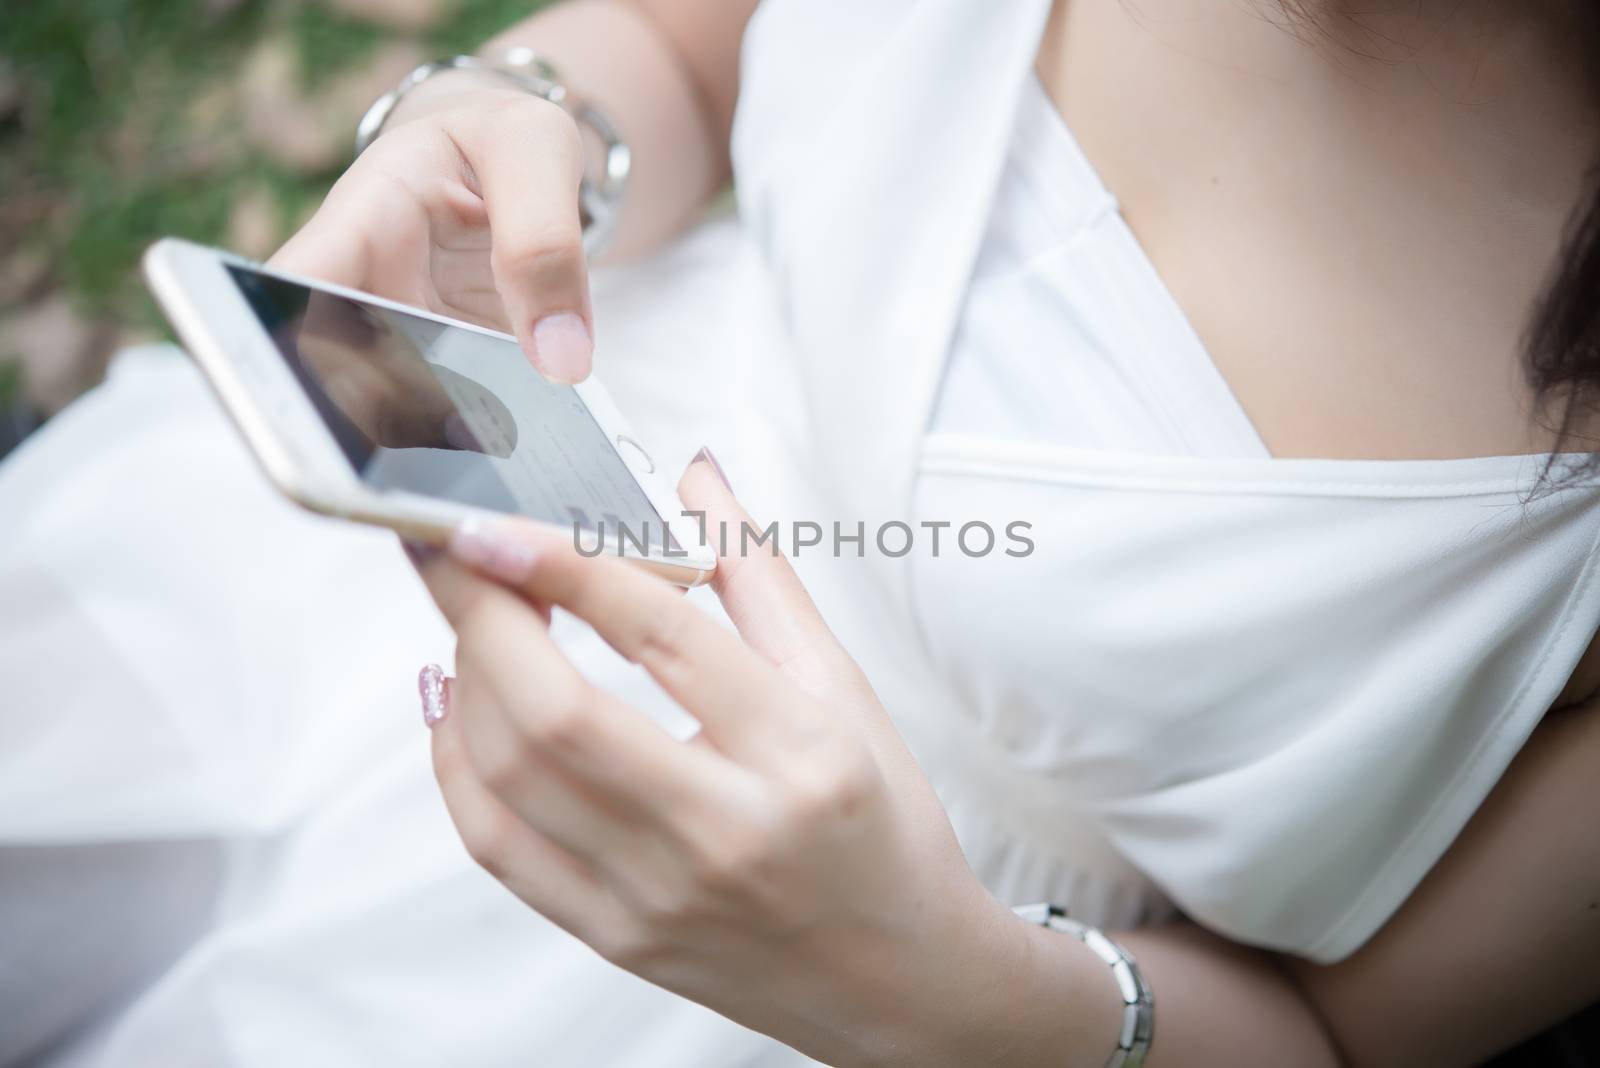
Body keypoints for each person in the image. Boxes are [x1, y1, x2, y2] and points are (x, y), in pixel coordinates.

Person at [5, 0, 1600, 1064]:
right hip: (441, 479)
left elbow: (1345, 1045)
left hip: (770, 981)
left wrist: (945, 982)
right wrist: (515, 122)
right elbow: (685, 49)